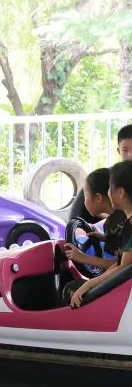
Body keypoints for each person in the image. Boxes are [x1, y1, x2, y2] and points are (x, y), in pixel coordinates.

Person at [67, 161, 132, 308]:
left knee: (69, 291)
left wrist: (89, 284)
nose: (108, 192)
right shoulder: (126, 222)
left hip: (126, 297)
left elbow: (122, 267)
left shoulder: (126, 225)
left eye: (110, 187)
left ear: (121, 192)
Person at [64, 168, 125, 272]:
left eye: (85, 196)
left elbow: (120, 266)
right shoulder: (120, 216)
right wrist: (105, 238)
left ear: (98, 198)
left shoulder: (115, 224)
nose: (84, 201)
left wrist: (83, 258)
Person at [69, 125, 132, 222]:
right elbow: (78, 214)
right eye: (125, 150)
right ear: (119, 151)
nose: (130, 155)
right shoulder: (108, 177)